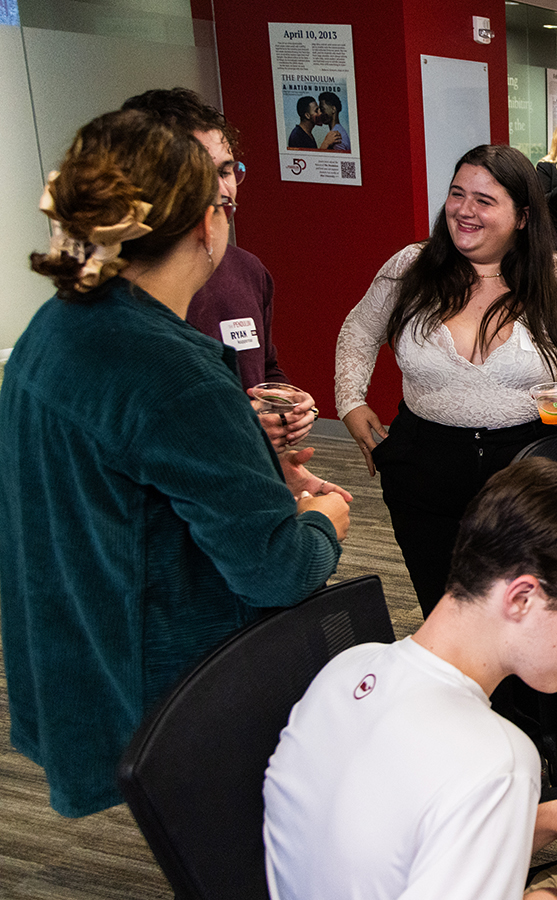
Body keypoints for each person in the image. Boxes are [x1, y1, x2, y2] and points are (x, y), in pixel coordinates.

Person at [0, 109, 349, 818]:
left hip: (83, 663)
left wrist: (252, 465)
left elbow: (120, 480)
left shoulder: (58, 326)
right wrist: (323, 521)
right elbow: (278, 571)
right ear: (202, 225)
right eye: (223, 193)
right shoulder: (174, 373)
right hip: (172, 689)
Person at [264, 459, 557, 900]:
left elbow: (404, 846)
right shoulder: (498, 762)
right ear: (523, 597)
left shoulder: (348, 667)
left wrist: (550, 817)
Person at [335, 144, 557, 615]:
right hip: (423, 466)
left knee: (527, 612)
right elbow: (359, 330)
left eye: (484, 201)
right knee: (445, 605)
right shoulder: (411, 267)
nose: (464, 211)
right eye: (456, 194)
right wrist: (350, 401)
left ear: (523, 217)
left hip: (527, 467)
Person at [120, 87, 321, 454]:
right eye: (201, 174)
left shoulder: (248, 270)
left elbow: (263, 368)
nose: (223, 189)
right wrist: (239, 426)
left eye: (227, 170)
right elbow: (138, 429)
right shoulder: (121, 295)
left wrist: (287, 406)